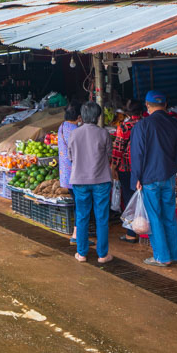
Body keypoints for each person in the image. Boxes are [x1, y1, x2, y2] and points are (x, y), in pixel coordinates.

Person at [130, 90, 177, 267]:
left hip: (149, 177)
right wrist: (174, 166)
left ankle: (162, 257)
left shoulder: (142, 125)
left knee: (154, 217)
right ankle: (174, 254)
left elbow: (137, 154)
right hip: (168, 176)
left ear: (147, 106)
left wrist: (136, 177)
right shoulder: (175, 124)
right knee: (169, 215)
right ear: (166, 105)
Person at [67, 102, 114, 264]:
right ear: (97, 116)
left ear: (83, 116)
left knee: (82, 216)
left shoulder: (74, 134)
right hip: (101, 180)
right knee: (102, 217)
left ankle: (82, 254)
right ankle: (102, 255)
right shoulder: (104, 134)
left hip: (79, 181)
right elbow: (109, 155)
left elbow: (71, 157)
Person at [111, 102, 144, 244]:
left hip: (126, 168)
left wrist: (113, 167)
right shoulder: (145, 125)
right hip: (144, 168)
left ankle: (131, 233)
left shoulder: (124, 127)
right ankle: (144, 231)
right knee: (143, 199)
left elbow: (117, 150)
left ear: (127, 114)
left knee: (130, 199)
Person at [57, 102, 81, 245]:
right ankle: (76, 235)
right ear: (79, 117)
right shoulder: (75, 131)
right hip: (77, 175)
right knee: (81, 206)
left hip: (66, 175)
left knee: (78, 204)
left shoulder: (62, 127)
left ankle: (77, 233)